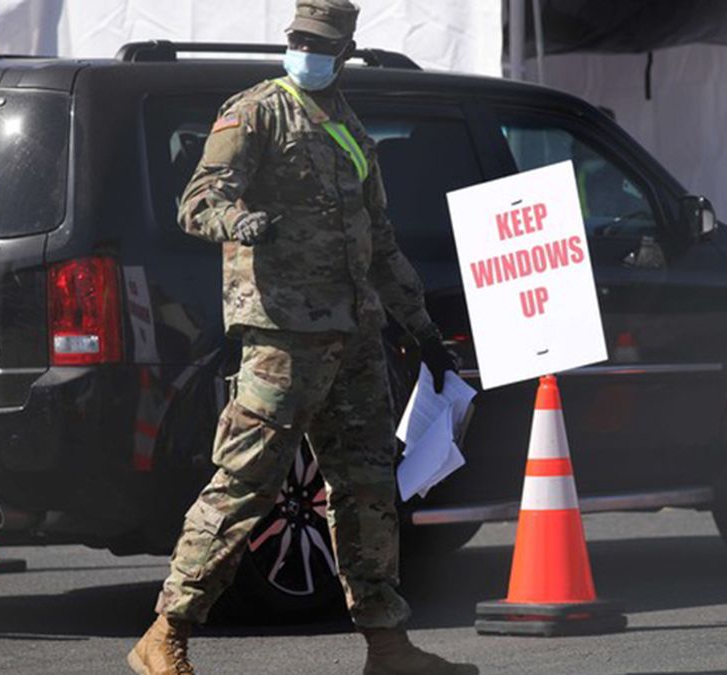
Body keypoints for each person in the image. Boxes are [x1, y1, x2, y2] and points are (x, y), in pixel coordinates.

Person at [127, 2, 477, 674]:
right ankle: (165, 631)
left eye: (319, 44)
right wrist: (239, 218)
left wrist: (425, 332)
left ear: (344, 51)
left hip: (354, 340)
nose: (306, 51)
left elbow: (382, 247)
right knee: (245, 482)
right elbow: (198, 199)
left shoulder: (348, 126)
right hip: (282, 340)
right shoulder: (257, 109)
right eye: (298, 40)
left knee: (369, 488)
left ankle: (387, 644)